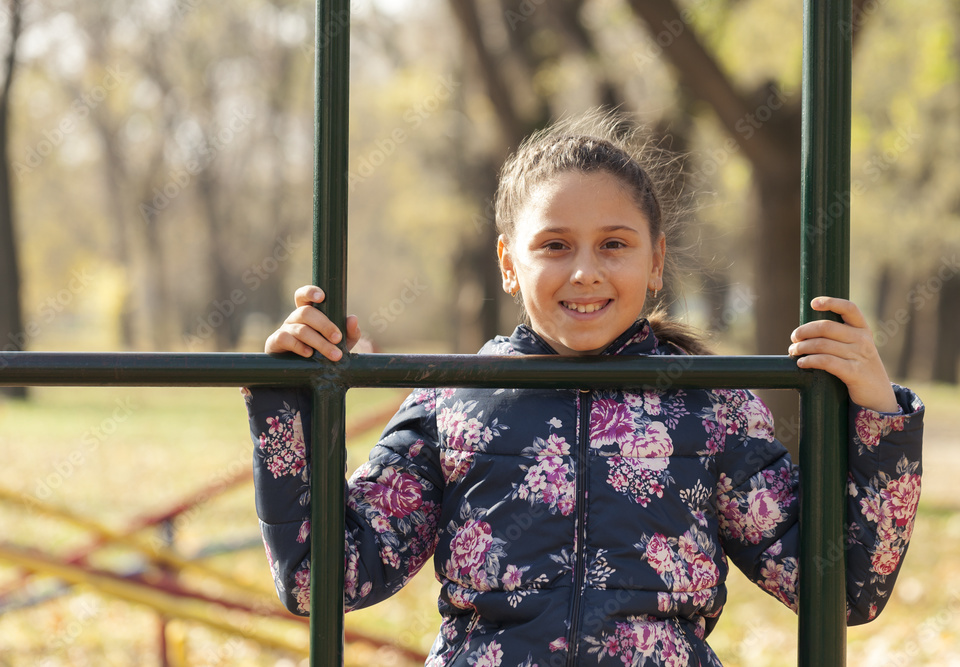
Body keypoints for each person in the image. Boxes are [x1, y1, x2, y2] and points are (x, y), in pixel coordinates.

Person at [243, 113, 924, 666]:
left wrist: (876, 412)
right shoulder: (454, 399)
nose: (586, 272)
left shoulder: (709, 405)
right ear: (510, 263)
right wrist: (288, 409)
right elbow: (322, 576)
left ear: (656, 260)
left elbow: (842, 588)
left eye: (615, 245)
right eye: (556, 245)